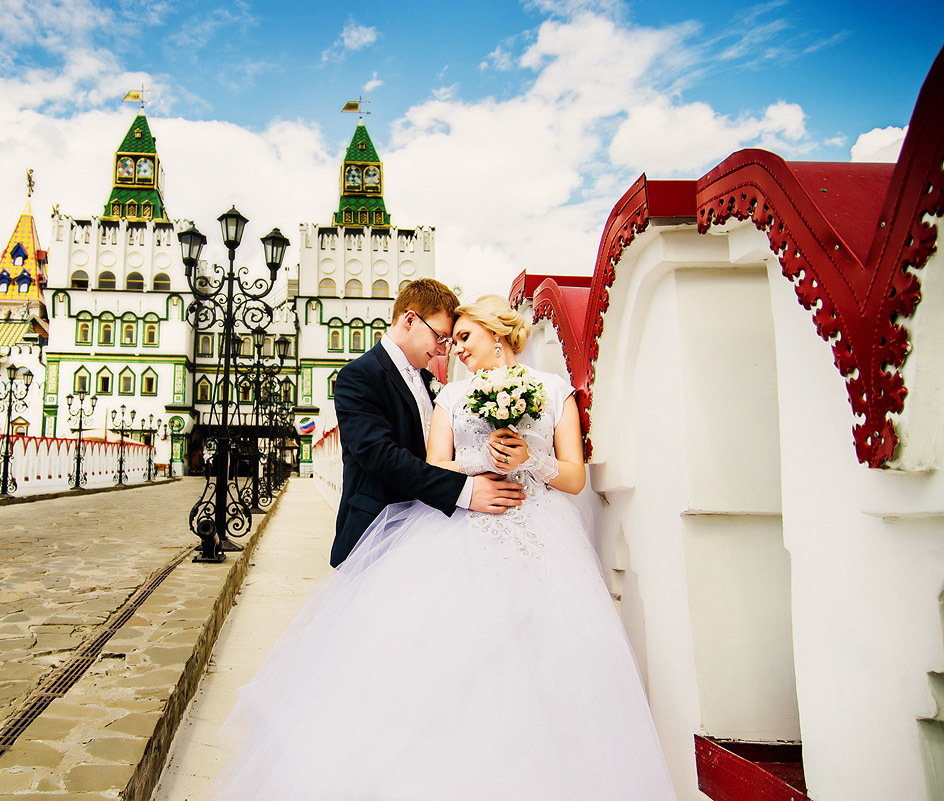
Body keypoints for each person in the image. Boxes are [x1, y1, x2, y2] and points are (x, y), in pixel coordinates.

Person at [213, 294, 678, 800]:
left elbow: (574, 475)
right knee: (443, 656)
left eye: (461, 338)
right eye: (446, 338)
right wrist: (477, 470)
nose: (451, 351)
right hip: (459, 531)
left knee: (547, 655)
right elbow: (427, 463)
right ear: (411, 321)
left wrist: (529, 460)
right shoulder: (448, 396)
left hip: (541, 537)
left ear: (495, 332)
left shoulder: (551, 392)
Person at [330, 278, 525, 567]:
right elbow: (381, 458)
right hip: (376, 533)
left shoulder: (429, 381)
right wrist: (465, 491)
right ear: (410, 319)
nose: (445, 350)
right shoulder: (358, 376)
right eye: (441, 337)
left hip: (431, 530)